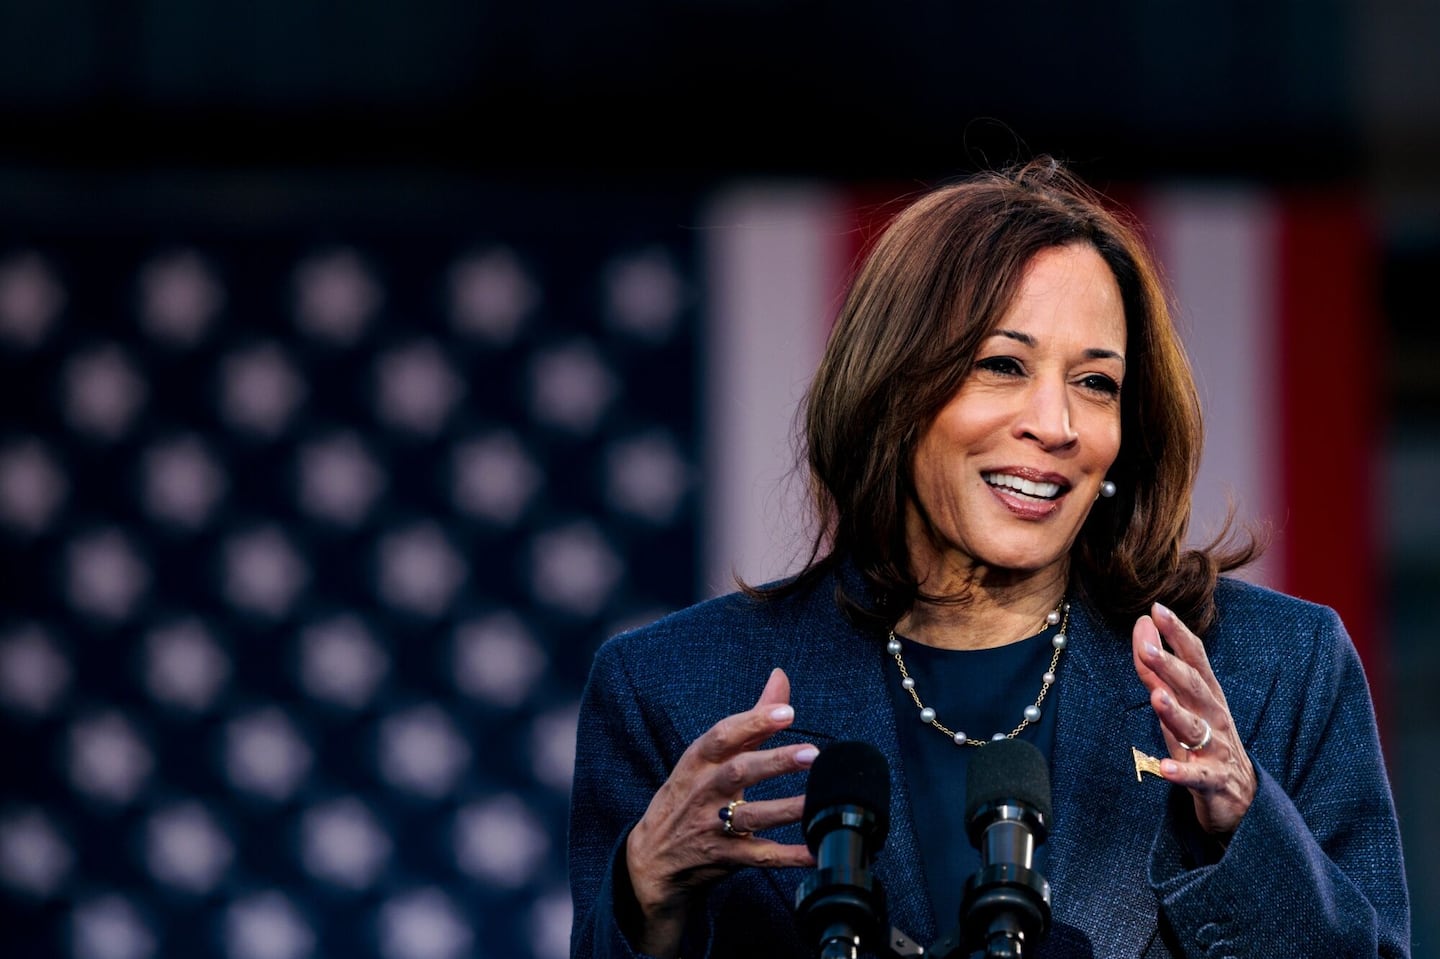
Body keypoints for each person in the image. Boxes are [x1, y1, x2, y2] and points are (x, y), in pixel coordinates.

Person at [567, 157, 1411, 958]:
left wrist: (1245, 825)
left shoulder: (1273, 673)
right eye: (1003, 365)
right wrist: (646, 893)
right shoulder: (672, 690)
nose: (1057, 424)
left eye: (1096, 383)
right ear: (891, 388)